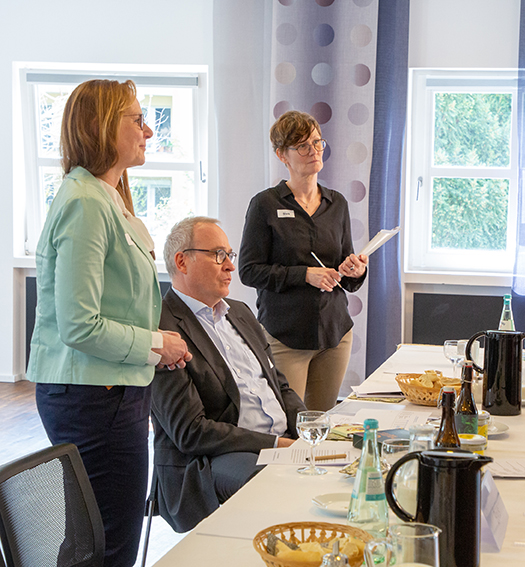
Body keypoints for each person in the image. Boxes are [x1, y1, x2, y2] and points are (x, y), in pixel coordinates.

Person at [26, 79, 190, 566]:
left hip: (108, 389)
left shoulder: (104, 196)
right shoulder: (86, 203)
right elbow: (80, 324)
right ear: (101, 126)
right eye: (137, 120)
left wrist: (153, 345)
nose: (148, 132)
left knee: (95, 539)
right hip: (94, 396)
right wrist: (155, 344)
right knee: (106, 543)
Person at [151, 216, 307, 532]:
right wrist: (276, 444)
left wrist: (308, 429)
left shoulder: (240, 312)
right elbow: (191, 432)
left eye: (230, 255)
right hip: (210, 459)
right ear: (182, 261)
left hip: (279, 442)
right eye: (218, 255)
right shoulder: (161, 330)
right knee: (276, 486)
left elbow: (279, 386)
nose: (230, 266)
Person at [239, 110, 367, 411]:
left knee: (322, 422)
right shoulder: (265, 204)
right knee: (290, 424)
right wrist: (305, 275)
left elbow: (346, 276)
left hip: (335, 334)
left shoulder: (337, 203)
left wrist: (355, 271)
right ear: (282, 155)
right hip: (286, 336)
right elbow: (248, 271)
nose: (314, 151)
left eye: (317, 142)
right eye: (302, 146)